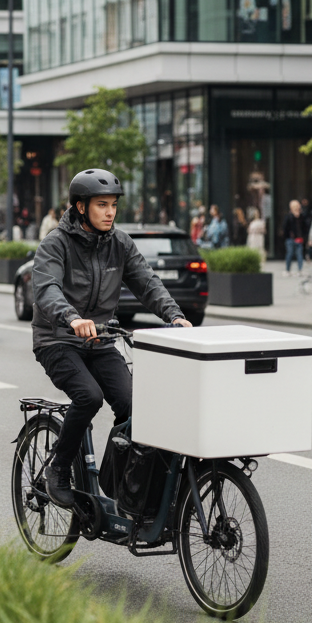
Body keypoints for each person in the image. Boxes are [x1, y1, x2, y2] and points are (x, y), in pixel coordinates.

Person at [31, 169, 192, 506]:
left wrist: (174, 315)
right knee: (88, 397)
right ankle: (58, 470)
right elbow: (47, 290)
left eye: (113, 205)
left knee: (136, 409)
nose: (109, 212)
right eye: (101, 205)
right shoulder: (55, 244)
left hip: (101, 340)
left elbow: (146, 282)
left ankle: (126, 485)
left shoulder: (119, 243)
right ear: (80, 207)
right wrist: (72, 318)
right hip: (57, 340)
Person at [282, 200, 306, 275]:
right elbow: (285, 227)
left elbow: (305, 226)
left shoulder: (302, 216)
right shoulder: (289, 216)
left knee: (299, 254)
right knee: (290, 253)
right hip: (290, 238)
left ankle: (300, 269)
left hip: (299, 238)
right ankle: (288, 269)